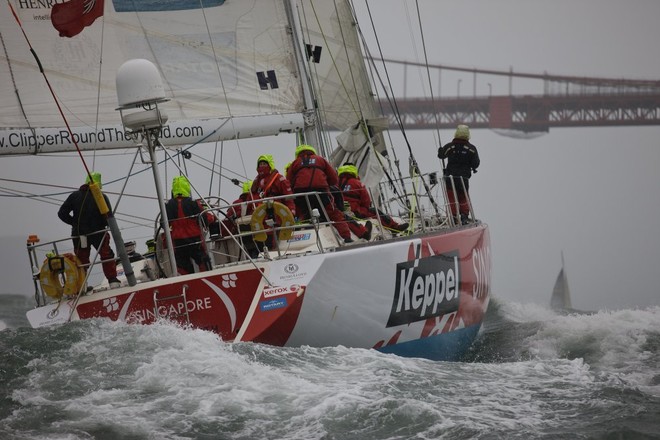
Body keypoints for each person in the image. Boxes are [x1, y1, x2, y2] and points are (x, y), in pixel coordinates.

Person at [58, 172, 120, 288]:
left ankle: (82, 286)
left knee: (81, 260)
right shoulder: (101, 197)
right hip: (98, 233)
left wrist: (74, 223)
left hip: (79, 235)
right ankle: (113, 281)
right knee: (106, 255)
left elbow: (61, 213)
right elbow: (109, 218)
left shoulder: (74, 196)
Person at [287, 144, 353, 243]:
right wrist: (326, 185)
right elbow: (334, 178)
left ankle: (295, 238)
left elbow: (289, 181)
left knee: (301, 215)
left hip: (301, 194)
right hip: (320, 192)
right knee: (333, 213)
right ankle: (346, 237)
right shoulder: (321, 160)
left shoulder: (295, 163)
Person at [338, 163, 408, 233]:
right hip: (355, 212)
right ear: (353, 170)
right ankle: (394, 227)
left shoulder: (336, 183)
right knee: (376, 212)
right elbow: (366, 201)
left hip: (340, 212)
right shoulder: (358, 183)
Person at [165, 175, 212, 275]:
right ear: (187, 188)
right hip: (194, 239)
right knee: (203, 261)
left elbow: (163, 223)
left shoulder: (168, 206)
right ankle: (208, 278)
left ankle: (187, 284)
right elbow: (204, 220)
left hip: (178, 241)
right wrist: (211, 219)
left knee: (183, 265)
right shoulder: (193, 203)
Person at [437, 124, 480, 224]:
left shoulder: (450, 146)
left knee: (451, 197)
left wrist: (440, 150)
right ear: (468, 135)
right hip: (463, 178)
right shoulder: (472, 149)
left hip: (450, 177)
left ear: (456, 133)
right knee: (463, 196)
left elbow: (441, 155)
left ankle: (453, 217)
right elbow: (476, 163)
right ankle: (464, 216)